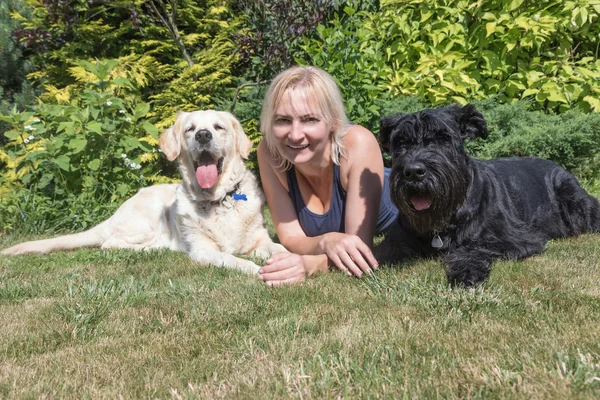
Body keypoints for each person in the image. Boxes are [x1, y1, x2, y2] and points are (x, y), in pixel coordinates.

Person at [257, 66, 399, 286]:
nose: (295, 135)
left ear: (333, 121)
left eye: (310, 119)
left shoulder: (357, 144)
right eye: (283, 120)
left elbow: (359, 250)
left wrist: (308, 265)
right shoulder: (269, 151)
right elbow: (290, 237)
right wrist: (326, 241)